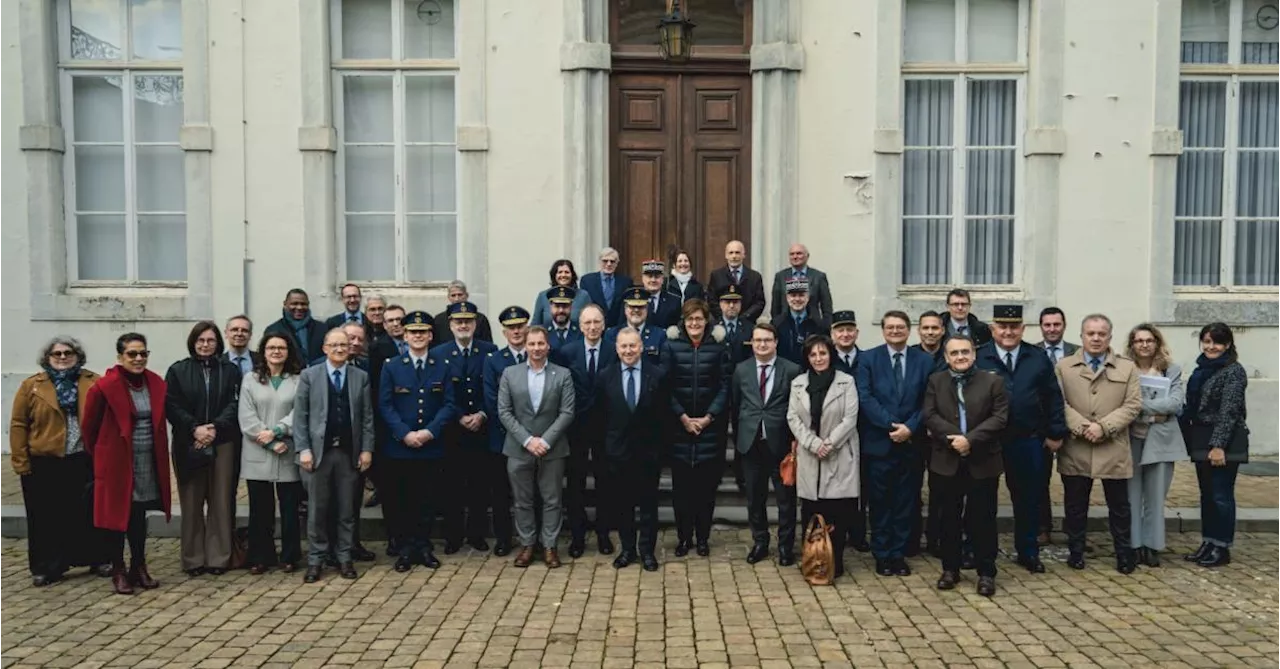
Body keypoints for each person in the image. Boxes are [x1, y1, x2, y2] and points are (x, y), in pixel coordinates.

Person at [10, 336, 108, 587]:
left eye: (68, 353)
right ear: (48, 358)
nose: (63, 357)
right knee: (45, 516)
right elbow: (19, 424)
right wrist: (20, 460)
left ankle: (96, 558)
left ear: (78, 356)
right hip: (46, 460)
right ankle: (47, 566)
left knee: (86, 512)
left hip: (82, 457)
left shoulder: (93, 382)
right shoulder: (32, 386)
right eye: (57, 354)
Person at [975, 305, 1066, 574]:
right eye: (1002, 326)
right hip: (988, 442)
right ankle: (981, 551)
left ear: (1023, 329)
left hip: (1027, 440)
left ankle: (1027, 551)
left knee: (1028, 499)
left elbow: (1053, 397)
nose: (1008, 331)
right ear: (993, 329)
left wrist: (1055, 432)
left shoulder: (1037, 357)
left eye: (1014, 327)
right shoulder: (981, 358)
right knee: (983, 499)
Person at [82, 333, 172, 595]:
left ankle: (139, 566)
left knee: (138, 514)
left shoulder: (154, 383)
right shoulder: (104, 387)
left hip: (147, 459)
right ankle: (118, 570)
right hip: (117, 461)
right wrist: (103, 454)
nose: (138, 358)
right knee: (117, 517)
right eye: (132, 354)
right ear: (120, 357)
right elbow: (90, 428)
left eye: (143, 353)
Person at [1055, 313, 1141, 574]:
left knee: (1119, 506)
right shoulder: (1064, 366)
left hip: (1112, 446)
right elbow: (1058, 403)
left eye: (1101, 334)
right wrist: (1082, 426)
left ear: (1110, 337)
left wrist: (1103, 427)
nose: (1095, 338)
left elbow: (1133, 404)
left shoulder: (1128, 368)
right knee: (1075, 505)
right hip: (1077, 446)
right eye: (1090, 333)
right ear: (1081, 336)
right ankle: (1076, 551)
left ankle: (1124, 553)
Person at [924, 335, 1008, 597]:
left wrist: (970, 440)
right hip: (945, 461)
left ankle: (986, 572)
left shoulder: (993, 381)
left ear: (973, 354)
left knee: (982, 519)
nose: (960, 357)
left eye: (965, 352)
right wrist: (955, 439)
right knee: (948, 518)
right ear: (946, 357)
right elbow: (929, 414)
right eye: (954, 353)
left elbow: (1000, 417)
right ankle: (950, 569)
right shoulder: (936, 381)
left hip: (982, 461)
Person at [855, 311, 933, 577]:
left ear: (909, 330)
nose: (895, 331)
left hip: (912, 443)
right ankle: (882, 553)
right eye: (890, 327)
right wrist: (893, 426)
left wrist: (910, 427)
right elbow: (865, 398)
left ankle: (898, 554)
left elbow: (929, 400)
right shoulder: (868, 358)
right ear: (883, 330)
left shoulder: (924, 361)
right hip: (880, 443)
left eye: (900, 327)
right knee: (879, 502)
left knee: (905, 501)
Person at [294, 329, 375, 583]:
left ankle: (344, 556)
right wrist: (303, 449)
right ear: (325, 348)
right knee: (317, 509)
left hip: (348, 454)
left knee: (347, 508)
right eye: (334, 345)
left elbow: (367, 418)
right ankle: (316, 559)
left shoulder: (359, 377)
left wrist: (367, 449)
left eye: (344, 344)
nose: (340, 349)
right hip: (319, 454)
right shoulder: (309, 376)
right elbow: (301, 416)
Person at [165, 321, 243, 577]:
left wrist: (214, 428)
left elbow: (235, 402)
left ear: (218, 343)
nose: (206, 345)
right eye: (201, 340)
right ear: (193, 342)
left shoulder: (230, 370)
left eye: (210, 340)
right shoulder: (178, 370)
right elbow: (172, 405)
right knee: (192, 501)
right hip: (189, 442)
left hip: (223, 441)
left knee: (221, 500)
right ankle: (193, 558)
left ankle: (218, 557)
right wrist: (194, 429)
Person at [380, 312, 456, 572]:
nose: (418, 336)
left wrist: (429, 432)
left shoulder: (442, 365)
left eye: (423, 332)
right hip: (401, 447)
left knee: (427, 499)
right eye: (413, 332)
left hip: (431, 445)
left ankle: (424, 547)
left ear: (431, 336)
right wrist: (405, 434)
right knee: (403, 500)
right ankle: (405, 549)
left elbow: (448, 404)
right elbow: (385, 405)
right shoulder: (391, 366)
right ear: (405, 335)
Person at [498, 326, 576, 568]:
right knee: (523, 500)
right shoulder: (510, 374)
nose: (536, 348)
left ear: (548, 345)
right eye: (532, 344)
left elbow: (567, 412)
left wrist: (545, 440)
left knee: (552, 499)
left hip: (552, 448)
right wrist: (527, 440)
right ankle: (528, 544)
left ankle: (550, 545)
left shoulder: (562, 375)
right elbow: (504, 411)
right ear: (525, 346)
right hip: (519, 448)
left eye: (541, 344)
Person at [595, 327, 669, 571]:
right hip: (617, 453)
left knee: (648, 505)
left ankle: (647, 551)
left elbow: (662, 417)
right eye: (624, 346)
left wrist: (659, 450)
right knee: (623, 505)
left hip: (648, 453)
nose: (628, 351)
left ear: (641, 347)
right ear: (617, 348)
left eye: (632, 346)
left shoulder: (657, 375)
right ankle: (627, 550)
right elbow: (601, 417)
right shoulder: (605, 376)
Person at [786, 334, 860, 578]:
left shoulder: (845, 382)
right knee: (811, 510)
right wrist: (813, 443)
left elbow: (850, 418)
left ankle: (834, 560)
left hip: (837, 454)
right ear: (807, 358)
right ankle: (813, 557)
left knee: (837, 511)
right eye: (813, 354)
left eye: (823, 353)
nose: (818, 358)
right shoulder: (798, 383)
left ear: (831, 354)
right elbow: (793, 418)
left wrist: (828, 443)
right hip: (810, 454)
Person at [663, 299, 731, 558]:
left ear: (706, 321)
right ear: (684, 321)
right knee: (681, 492)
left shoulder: (718, 347)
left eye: (699, 319)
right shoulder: (671, 346)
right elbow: (666, 386)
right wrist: (682, 417)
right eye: (690, 319)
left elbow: (725, 386)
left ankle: (702, 539)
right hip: (680, 430)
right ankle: (683, 539)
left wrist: (708, 417)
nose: (694, 324)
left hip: (709, 430)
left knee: (705, 491)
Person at [430, 301, 499, 554]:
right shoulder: (439, 353)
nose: (463, 325)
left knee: (480, 484)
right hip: (452, 429)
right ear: (450, 324)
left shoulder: (489, 351)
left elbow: (492, 389)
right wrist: (459, 416)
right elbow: (440, 392)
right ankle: (453, 536)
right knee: (452, 485)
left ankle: (477, 534)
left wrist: (481, 413)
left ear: (475, 323)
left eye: (468, 321)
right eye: (458, 321)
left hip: (482, 427)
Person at [731, 322, 802, 565]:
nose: (762, 344)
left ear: (776, 343)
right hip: (751, 445)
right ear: (752, 342)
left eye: (767, 340)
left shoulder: (791, 370)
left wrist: (795, 443)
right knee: (755, 497)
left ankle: (785, 547)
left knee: (785, 500)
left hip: (781, 445)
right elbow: (735, 405)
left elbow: (798, 409)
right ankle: (760, 542)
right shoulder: (741, 370)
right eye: (758, 340)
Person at [1180, 322, 1250, 568]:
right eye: (1207, 341)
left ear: (1228, 344)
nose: (1211, 346)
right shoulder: (1202, 369)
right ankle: (1208, 542)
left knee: (1221, 496)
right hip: (1201, 437)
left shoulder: (1234, 371)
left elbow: (1229, 412)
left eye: (1217, 342)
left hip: (1223, 440)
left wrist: (1218, 445)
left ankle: (1222, 547)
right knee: (1207, 495)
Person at [238, 334, 305, 575]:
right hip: (258, 450)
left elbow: (300, 412)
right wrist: (268, 442)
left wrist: (278, 431)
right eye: (271, 347)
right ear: (263, 352)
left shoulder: (298, 380)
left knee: (289, 508)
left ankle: (289, 556)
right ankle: (260, 556)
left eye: (281, 347)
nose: (276, 351)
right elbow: (246, 417)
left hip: (287, 450)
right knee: (260, 509)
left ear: (289, 352)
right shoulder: (250, 379)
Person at [1123, 323, 1188, 568]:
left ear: (1157, 343)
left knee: (1155, 495)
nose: (1144, 344)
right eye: (1139, 340)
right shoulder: (1125, 369)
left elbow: (1175, 404)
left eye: (1149, 340)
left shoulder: (1170, 369)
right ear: (1132, 345)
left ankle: (1153, 545)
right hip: (1131, 439)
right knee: (1132, 495)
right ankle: (1134, 544)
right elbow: (1121, 403)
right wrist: (1146, 412)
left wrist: (1137, 408)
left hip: (1161, 440)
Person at [555, 304, 617, 557]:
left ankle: (603, 534)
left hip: (606, 427)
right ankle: (578, 537)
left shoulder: (614, 351)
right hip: (576, 428)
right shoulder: (567, 352)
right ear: (580, 326)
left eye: (597, 322)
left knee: (605, 483)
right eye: (587, 323)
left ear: (604, 325)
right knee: (576, 484)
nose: (592, 327)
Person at [480, 306, 532, 556]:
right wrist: (515, 428)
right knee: (499, 491)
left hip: (532, 436)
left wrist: (527, 432)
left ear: (527, 328)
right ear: (504, 331)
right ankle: (503, 538)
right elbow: (492, 399)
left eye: (520, 326)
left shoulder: (537, 355)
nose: (516, 331)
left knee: (531, 492)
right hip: (501, 436)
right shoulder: (493, 361)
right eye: (511, 327)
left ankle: (533, 537)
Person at [1034, 306, 1079, 543]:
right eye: (1047, 324)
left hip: (1074, 427)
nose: (1052, 329)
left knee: (1074, 483)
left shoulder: (1078, 352)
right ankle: (1043, 527)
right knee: (1039, 481)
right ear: (1040, 326)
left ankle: (1074, 532)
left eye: (1056, 324)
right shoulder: (1032, 352)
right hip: (1043, 428)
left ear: (1064, 325)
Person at [830, 310, 870, 553]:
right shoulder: (825, 359)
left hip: (864, 430)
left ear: (856, 332)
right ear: (832, 334)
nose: (845, 335)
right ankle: (838, 532)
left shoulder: (867, 359)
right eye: (840, 330)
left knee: (861, 486)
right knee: (838, 484)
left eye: (849, 330)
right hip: (835, 432)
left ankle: (859, 533)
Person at [771, 277, 830, 368]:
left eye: (801, 295)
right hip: (785, 372)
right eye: (793, 295)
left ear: (807, 297)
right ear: (787, 298)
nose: (797, 299)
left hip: (811, 371)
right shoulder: (777, 323)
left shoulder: (819, 324)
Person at [264, 288, 328, 366]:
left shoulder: (322, 329)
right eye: (294, 303)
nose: (299, 307)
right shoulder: (274, 330)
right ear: (285, 304)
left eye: (303, 304)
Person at [770, 243, 833, 322]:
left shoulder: (819, 277)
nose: (795, 257)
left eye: (799, 253)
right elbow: (775, 306)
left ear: (807, 256)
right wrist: (776, 323)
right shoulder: (780, 276)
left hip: (813, 325)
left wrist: (826, 326)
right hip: (785, 325)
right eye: (792, 254)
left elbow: (826, 306)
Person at [707, 240, 766, 323]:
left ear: (744, 255)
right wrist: (724, 318)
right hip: (722, 324)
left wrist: (744, 318)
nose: (734, 256)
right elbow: (711, 300)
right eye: (731, 253)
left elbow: (759, 302)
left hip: (748, 324)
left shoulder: (755, 277)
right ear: (726, 255)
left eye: (737, 253)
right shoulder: (716, 276)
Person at [604, 286, 668, 360]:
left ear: (647, 309)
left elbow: (663, 365)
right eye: (632, 306)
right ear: (625, 309)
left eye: (640, 306)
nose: (636, 310)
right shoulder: (612, 335)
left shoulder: (660, 335)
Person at [580, 247, 633, 328]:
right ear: (599, 261)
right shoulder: (587, 281)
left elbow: (625, 307)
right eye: (605, 261)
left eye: (612, 261)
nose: (609, 264)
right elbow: (585, 306)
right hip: (594, 327)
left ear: (617, 263)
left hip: (618, 329)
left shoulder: (626, 282)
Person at [532, 260, 593, 328]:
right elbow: (535, 325)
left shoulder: (583, 296)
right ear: (554, 275)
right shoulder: (543, 296)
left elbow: (591, 320)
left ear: (572, 275)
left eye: (567, 272)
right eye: (560, 272)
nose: (563, 275)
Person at [433, 280, 496, 345]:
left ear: (466, 295)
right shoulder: (439, 320)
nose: (457, 299)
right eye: (453, 295)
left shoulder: (480, 318)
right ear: (448, 297)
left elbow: (488, 345)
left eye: (460, 295)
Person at [640, 259, 681, 328]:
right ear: (643, 279)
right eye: (649, 276)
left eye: (657, 277)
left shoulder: (674, 301)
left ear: (662, 279)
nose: (653, 280)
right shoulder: (633, 300)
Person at [544, 285, 583, 351]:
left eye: (565, 306)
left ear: (571, 306)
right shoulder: (543, 331)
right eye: (557, 306)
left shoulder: (581, 331)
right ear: (550, 306)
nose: (561, 310)